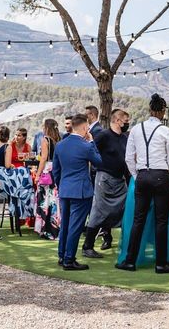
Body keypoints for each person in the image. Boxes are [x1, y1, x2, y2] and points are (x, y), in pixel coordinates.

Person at [115, 94, 169, 274]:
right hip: (161, 176)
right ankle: (161, 264)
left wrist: (137, 176)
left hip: (143, 176)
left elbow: (129, 158)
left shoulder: (136, 129)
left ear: (149, 110)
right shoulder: (166, 132)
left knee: (138, 220)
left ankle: (130, 261)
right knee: (161, 221)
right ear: (162, 111)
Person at [52, 114, 102, 270]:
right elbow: (99, 161)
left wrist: (61, 185)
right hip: (81, 191)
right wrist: (92, 141)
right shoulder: (86, 145)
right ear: (84, 127)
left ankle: (62, 256)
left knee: (65, 225)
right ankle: (69, 260)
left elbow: (56, 170)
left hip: (65, 189)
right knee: (75, 226)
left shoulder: (60, 145)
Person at [82, 109, 131, 258]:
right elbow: (90, 151)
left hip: (120, 180)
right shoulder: (104, 135)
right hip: (104, 179)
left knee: (126, 209)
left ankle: (126, 244)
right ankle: (87, 246)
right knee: (98, 211)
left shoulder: (124, 138)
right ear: (117, 120)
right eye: (126, 120)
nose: (127, 123)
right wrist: (96, 167)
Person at [0, 127, 35, 223]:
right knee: (22, 186)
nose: (16, 137)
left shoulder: (28, 147)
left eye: (19, 135)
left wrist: (29, 161)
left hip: (24, 171)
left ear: (24, 137)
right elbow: (6, 161)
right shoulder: (11, 145)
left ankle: (29, 215)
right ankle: (18, 213)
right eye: (16, 134)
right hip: (12, 171)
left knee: (32, 183)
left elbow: (32, 161)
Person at [34, 119, 61, 240]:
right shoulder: (59, 140)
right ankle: (55, 227)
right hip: (56, 170)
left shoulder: (45, 140)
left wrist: (38, 174)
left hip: (47, 172)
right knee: (54, 200)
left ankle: (46, 229)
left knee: (45, 201)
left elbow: (43, 158)